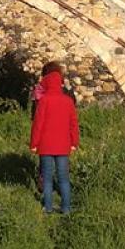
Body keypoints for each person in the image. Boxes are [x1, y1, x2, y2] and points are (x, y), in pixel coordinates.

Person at [29, 61, 80, 214]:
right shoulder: (68, 101)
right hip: (63, 145)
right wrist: (74, 142)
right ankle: (66, 208)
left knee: (47, 178)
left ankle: (48, 207)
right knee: (63, 178)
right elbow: (73, 124)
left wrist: (34, 144)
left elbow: (37, 124)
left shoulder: (43, 101)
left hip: (45, 145)